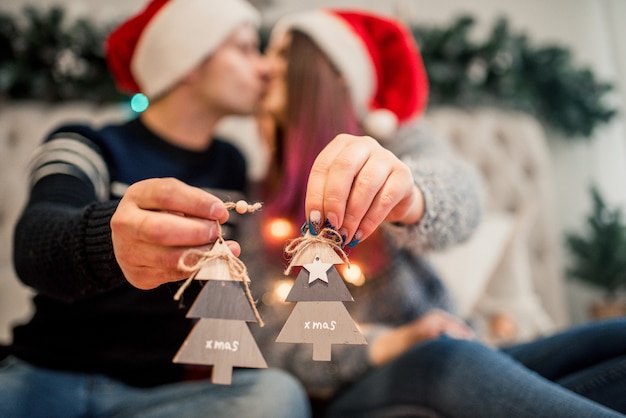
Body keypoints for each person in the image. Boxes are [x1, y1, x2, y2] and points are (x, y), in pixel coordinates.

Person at [249, 8, 626, 417]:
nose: (266, 66)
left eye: (285, 53)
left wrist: (411, 195)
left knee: (615, 340)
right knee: (445, 359)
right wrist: (388, 342)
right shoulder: (255, 201)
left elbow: (464, 197)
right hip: (357, 384)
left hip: (460, 349)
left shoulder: (396, 142)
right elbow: (267, 342)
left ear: (334, 72)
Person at [0, 1, 310, 417]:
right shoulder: (87, 145)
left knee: (276, 395)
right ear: (189, 63)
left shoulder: (230, 164)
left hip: (162, 397)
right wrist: (112, 241)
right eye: (245, 49)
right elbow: (36, 239)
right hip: (50, 373)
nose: (265, 68)